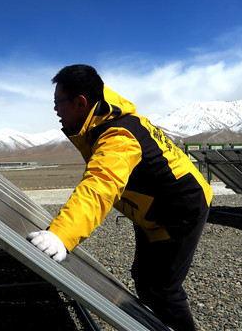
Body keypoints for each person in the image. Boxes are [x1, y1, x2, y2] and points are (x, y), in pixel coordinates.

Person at [27, 64, 212, 331]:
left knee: (163, 288)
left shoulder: (119, 135)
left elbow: (100, 186)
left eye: (58, 102)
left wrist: (61, 235)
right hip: (151, 207)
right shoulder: (102, 123)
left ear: (80, 102)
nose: (55, 109)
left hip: (180, 208)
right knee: (144, 278)